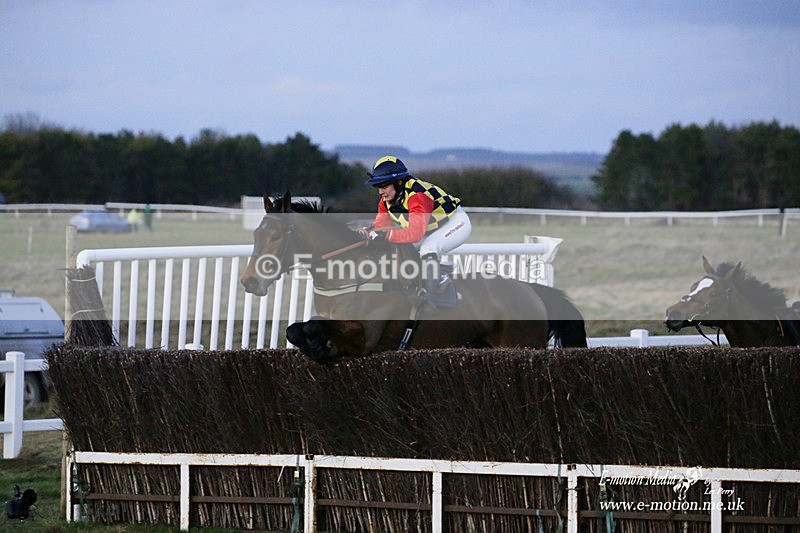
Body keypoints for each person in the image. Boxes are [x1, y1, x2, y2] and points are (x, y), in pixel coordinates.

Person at [361, 155, 472, 306]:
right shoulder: (386, 201)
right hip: (429, 229)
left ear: (399, 182)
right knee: (399, 248)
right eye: (378, 187)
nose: (380, 192)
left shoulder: (417, 196)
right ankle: (418, 283)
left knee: (428, 248)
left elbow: (414, 234)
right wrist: (369, 231)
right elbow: (381, 225)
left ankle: (431, 299)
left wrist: (385, 234)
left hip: (455, 222)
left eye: (384, 186)